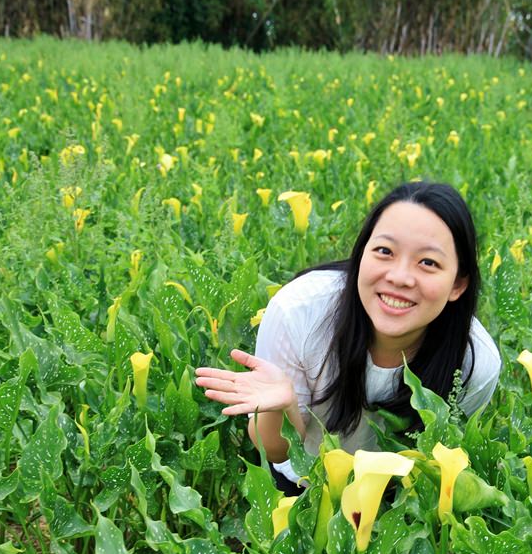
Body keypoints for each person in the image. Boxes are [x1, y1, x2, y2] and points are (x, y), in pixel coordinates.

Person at [194, 182, 501, 493]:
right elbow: (277, 452)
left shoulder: (475, 364)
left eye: (428, 263)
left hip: (399, 498)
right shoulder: (297, 312)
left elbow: (436, 458)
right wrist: (280, 408)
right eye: (385, 251)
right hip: (304, 486)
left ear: (458, 285)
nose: (398, 277)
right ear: (361, 253)